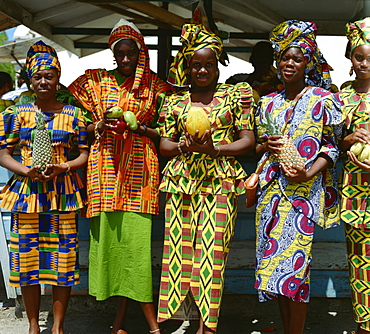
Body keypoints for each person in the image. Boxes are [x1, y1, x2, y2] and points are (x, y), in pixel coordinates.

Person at [68, 19, 173, 334]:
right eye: (120, 53)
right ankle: (118, 321)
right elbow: (77, 121)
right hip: (104, 171)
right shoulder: (95, 82)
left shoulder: (157, 87)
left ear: (141, 52)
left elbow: (167, 132)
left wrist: (138, 127)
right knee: (112, 246)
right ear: (112, 52)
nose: (125, 59)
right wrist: (98, 126)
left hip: (140, 174)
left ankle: (146, 322)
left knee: (136, 248)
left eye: (131, 53)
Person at [157, 23, 255, 333]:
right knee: (180, 253)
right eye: (196, 64)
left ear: (218, 64)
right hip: (181, 184)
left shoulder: (236, 94)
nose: (202, 70)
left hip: (220, 182)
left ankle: (207, 327)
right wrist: (182, 145)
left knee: (212, 257)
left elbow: (248, 141)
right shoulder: (174, 100)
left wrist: (217, 149)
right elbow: (165, 144)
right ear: (186, 66)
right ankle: (184, 317)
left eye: (208, 64)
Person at [253, 20, 342, 334]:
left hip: (303, 197)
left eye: (298, 59)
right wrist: (268, 145)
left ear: (308, 63)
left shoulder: (323, 100)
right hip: (272, 196)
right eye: (285, 58)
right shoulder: (268, 104)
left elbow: (331, 149)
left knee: (296, 271)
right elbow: (263, 146)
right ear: (278, 61)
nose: (290, 64)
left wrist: (307, 171)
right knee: (274, 269)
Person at [0, 40, 88, 334]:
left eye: (48, 76)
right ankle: (34, 325)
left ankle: (58, 327)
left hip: (61, 194)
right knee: (27, 262)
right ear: (29, 79)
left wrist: (63, 167)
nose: (43, 82)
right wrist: (27, 170)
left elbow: (84, 154)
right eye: (37, 77)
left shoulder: (74, 115)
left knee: (62, 263)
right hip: (25, 196)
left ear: (57, 78)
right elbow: (3, 154)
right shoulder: (15, 114)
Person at [338, 17, 370, 334]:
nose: (364, 63)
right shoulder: (342, 96)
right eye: (359, 57)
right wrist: (349, 139)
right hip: (355, 196)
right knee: (359, 265)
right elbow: (333, 142)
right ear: (350, 58)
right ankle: (364, 326)